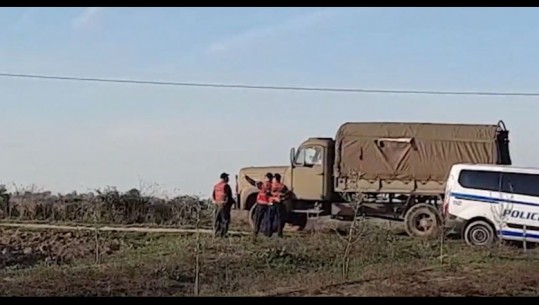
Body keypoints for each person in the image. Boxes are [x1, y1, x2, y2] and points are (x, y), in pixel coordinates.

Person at [248, 173, 273, 237]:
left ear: (267, 178)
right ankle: (268, 234)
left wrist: (246, 178)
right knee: (267, 220)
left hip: (261, 204)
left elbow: (253, 183)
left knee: (258, 219)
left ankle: (255, 232)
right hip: (268, 204)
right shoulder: (272, 185)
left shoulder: (262, 184)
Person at [212, 172, 235, 238]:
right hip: (224, 205)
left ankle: (216, 234)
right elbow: (228, 196)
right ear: (225, 178)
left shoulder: (216, 186)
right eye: (227, 177)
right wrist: (232, 202)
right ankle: (223, 234)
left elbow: (213, 195)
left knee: (217, 220)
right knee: (225, 220)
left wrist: (216, 201)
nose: (228, 179)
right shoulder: (226, 186)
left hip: (217, 204)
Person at [269, 173, 288, 238]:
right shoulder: (282, 186)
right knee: (279, 219)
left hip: (273, 203)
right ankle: (279, 233)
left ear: (276, 179)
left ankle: (269, 232)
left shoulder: (271, 186)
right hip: (280, 203)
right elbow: (286, 194)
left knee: (271, 218)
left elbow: (268, 193)